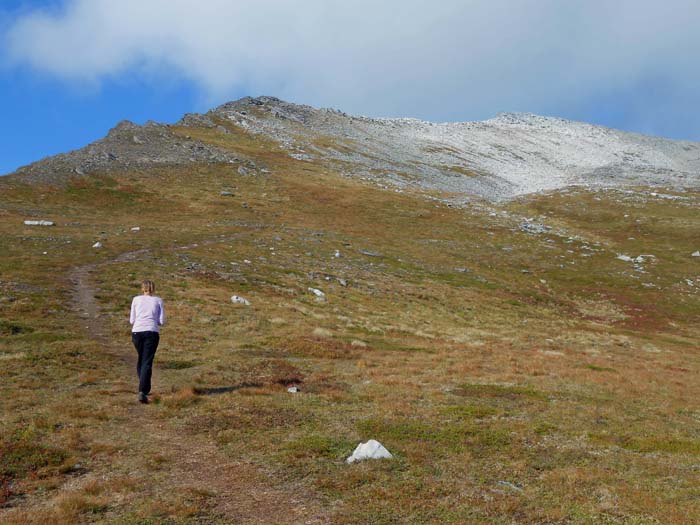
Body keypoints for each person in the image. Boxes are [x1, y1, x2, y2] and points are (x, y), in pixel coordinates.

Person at [130, 280, 165, 404]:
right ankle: (143, 390)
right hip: (151, 332)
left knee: (142, 359)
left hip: (136, 332)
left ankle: (143, 385)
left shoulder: (135, 299)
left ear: (142, 288)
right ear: (153, 288)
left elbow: (131, 320)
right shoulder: (158, 300)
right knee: (147, 361)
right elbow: (161, 321)